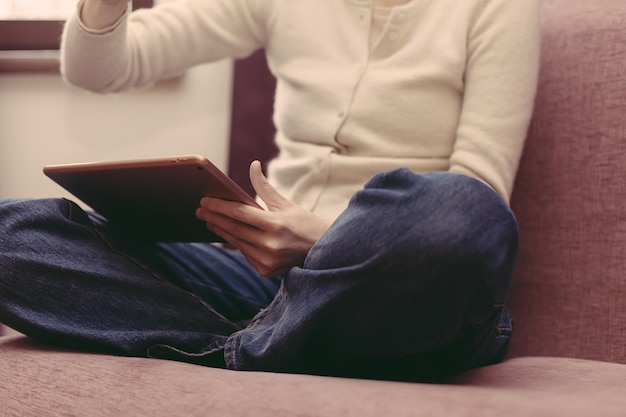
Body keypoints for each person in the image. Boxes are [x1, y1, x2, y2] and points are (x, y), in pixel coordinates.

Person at [0, 0, 540, 381]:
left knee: (460, 208)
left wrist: (324, 241)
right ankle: (264, 349)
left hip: (388, 280)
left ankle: (240, 346)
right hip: (261, 280)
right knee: (12, 234)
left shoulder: (494, 6)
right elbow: (101, 69)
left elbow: (481, 194)